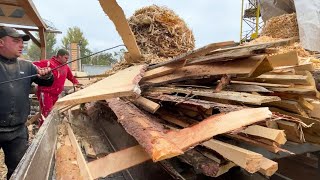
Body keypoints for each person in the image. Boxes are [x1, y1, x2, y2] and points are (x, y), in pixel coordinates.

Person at [0, 26, 53, 179]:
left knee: (18, 171)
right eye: (16, 41)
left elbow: (48, 82)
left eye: (22, 42)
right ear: (1, 42)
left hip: (18, 132)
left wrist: (46, 76)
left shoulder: (27, 66)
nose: (21, 45)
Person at [33, 49, 79, 126]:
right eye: (65, 58)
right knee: (46, 114)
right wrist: (39, 71)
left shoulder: (66, 67)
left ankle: (49, 127)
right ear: (59, 56)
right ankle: (42, 131)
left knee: (52, 113)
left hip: (55, 94)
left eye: (68, 58)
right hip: (46, 93)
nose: (67, 60)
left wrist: (77, 83)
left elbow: (71, 77)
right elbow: (32, 66)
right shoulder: (48, 63)